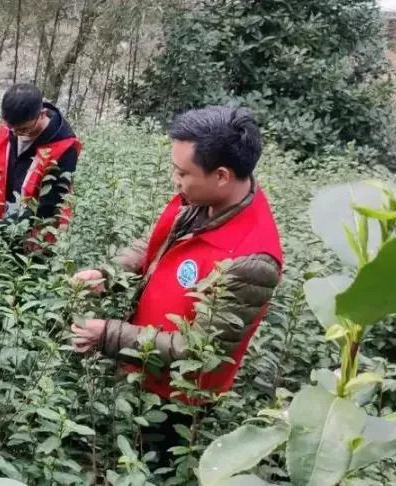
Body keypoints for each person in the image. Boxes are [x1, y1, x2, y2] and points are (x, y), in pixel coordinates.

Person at [69, 106, 283, 463]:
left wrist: (108, 335)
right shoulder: (200, 201)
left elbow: (198, 350)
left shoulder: (252, 260)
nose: (175, 179)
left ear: (221, 176)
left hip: (176, 399)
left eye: (183, 172)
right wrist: (109, 275)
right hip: (141, 367)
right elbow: (155, 241)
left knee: (151, 463)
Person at [0, 83, 81, 251]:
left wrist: (36, 234)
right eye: (12, 128)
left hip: (35, 225)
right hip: (5, 214)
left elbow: (53, 200)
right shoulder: (10, 127)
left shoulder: (65, 146)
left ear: (41, 115)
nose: (16, 134)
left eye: (23, 129)